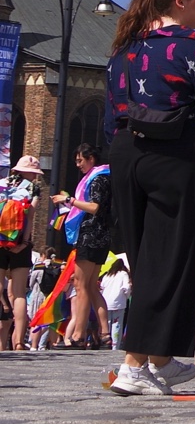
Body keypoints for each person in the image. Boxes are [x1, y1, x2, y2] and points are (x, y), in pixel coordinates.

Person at [105, 0, 195, 396]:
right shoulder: (194, 47)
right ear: (180, 2)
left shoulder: (125, 47)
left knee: (145, 257)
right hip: (174, 154)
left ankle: (160, 358)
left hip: (127, 152)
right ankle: (133, 363)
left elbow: (113, 112)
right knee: (171, 258)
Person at [65, 146, 113, 348]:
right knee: (92, 287)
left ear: (91, 158)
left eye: (80, 160)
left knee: (81, 285)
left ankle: (78, 335)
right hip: (102, 236)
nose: (78, 165)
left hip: (91, 235)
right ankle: (104, 335)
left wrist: (70, 201)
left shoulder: (97, 178)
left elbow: (94, 207)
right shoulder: (105, 176)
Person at [0, 158, 42, 348]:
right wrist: (24, 241)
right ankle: (17, 341)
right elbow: (31, 215)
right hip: (20, 244)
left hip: (0, 242)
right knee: (18, 294)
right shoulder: (32, 188)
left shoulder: (1, 184)